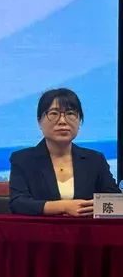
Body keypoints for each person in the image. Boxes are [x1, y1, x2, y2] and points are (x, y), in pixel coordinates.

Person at [9, 88, 119, 216]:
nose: (62, 121)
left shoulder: (95, 159)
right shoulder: (23, 159)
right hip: (42, 228)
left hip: (84, 228)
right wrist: (64, 207)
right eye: (54, 113)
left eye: (70, 113)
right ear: (39, 121)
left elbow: (117, 204)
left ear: (79, 121)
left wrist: (97, 208)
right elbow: (18, 203)